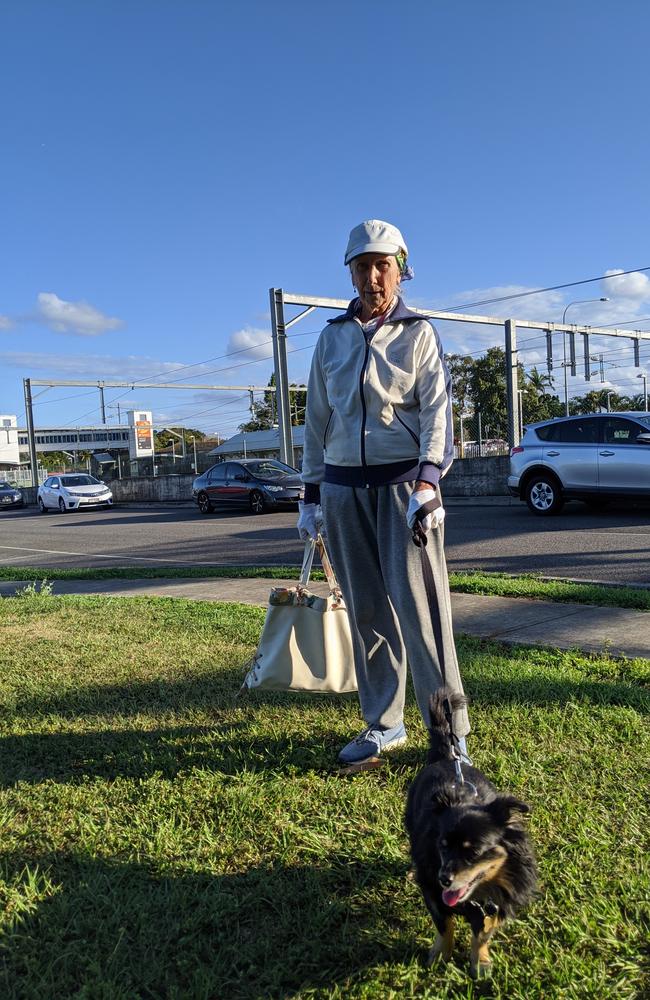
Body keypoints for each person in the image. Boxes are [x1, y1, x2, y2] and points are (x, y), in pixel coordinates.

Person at [297, 219, 470, 765]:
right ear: (349, 271)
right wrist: (310, 494)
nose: (372, 277)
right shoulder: (331, 337)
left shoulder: (418, 333)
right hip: (344, 491)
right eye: (362, 266)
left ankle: (449, 736)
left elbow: (439, 412)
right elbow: (316, 420)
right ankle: (383, 724)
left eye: (382, 266)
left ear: (400, 269)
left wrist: (428, 482)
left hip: (404, 491)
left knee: (424, 615)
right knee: (367, 612)